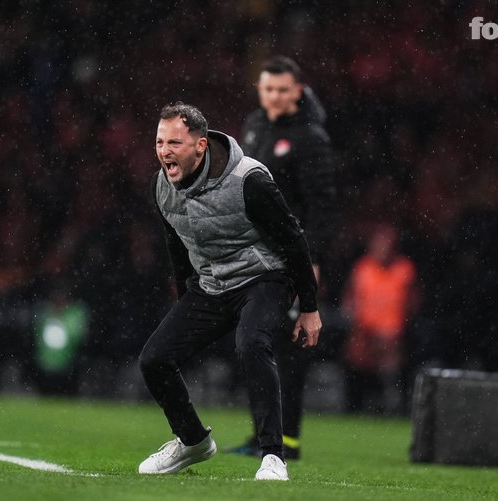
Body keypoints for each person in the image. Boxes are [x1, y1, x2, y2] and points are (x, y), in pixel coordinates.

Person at [137, 102, 321, 481]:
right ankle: (193, 441)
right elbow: (177, 245)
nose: (164, 151)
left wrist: (309, 307)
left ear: (200, 146)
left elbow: (293, 240)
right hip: (211, 285)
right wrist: (184, 303)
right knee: (154, 359)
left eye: (174, 143)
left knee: (251, 343)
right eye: (159, 142)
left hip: (265, 278)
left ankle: (273, 456)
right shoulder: (161, 186)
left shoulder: (248, 180)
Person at [227, 55, 336, 460]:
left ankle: (286, 440)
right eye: (268, 88)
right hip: (254, 253)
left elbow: (323, 207)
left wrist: (313, 260)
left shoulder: (310, 138)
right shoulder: (255, 127)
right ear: (260, 89)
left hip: (291, 256)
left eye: (282, 90)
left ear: (297, 91)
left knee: (288, 348)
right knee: (254, 340)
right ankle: (263, 435)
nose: (274, 96)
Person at [341, 224, 417, 414]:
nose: (383, 249)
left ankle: (394, 406)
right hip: (364, 332)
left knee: (392, 349)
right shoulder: (363, 268)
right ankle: (355, 404)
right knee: (356, 348)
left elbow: (412, 305)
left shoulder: (404, 269)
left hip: (394, 334)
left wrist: (395, 329)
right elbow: (350, 302)